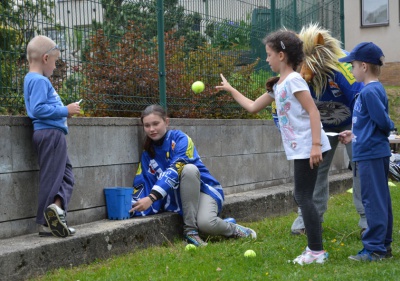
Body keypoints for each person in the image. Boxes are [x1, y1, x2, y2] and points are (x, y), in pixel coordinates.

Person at [216, 29, 331, 265]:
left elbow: (313, 111)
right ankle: (315, 250)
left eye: (268, 55)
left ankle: (316, 252)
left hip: (309, 146)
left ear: (281, 55)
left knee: (303, 196)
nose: (266, 59)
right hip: (302, 147)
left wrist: (316, 146)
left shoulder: (294, 80)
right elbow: (252, 107)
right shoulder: (279, 85)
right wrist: (230, 89)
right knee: (303, 196)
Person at [129, 104, 256, 247]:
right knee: (206, 225)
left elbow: (176, 168)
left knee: (189, 171)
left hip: (204, 190)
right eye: (147, 126)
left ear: (166, 122)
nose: (151, 129)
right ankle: (200, 229)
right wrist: (132, 206)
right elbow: (143, 181)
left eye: (155, 124)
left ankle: (225, 229)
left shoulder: (181, 139)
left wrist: (152, 198)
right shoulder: (147, 154)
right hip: (179, 200)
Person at [291, 23, 367, 236]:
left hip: (354, 122)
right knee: (314, 167)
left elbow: (362, 100)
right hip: (321, 124)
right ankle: (307, 220)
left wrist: (355, 131)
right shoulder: (295, 72)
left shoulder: (342, 66)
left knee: (361, 165)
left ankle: (368, 222)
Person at [338, 42, 394, 261]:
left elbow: (382, 121)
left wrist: (388, 126)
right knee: (378, 199)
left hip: (371, 154)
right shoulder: (370, 90)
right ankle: (383, 246)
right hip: (369, 151)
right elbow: (369, 123)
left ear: (363, 66)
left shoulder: (370, 91)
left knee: (372, 201)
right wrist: (353, 135)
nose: (350, 71)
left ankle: (375, 249)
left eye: (351, 66)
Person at [23, 35, 81, 237]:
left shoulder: (33, 80)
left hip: (51, 133)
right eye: (55, 62)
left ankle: (55, 211)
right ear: (46, 58)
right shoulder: (39, 81)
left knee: (67, 177)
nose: (55, 67)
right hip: (51, 135)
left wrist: (63, 115)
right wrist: (65, 110)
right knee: (52, 177)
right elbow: (38, 110)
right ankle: (46, 221)